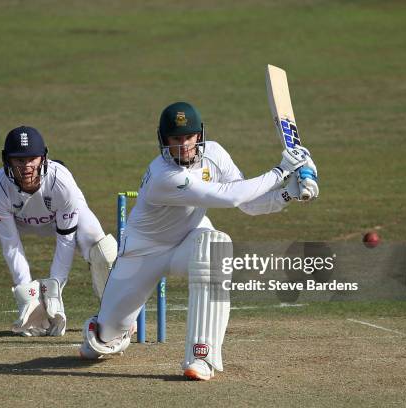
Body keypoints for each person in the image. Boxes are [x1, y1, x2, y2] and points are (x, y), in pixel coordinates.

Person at [79, 102, 319, 380]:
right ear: (163, 140)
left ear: (199, 135)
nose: (183, 146)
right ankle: (114, 328)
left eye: (189, 137)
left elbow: (250, 205)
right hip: (142, 253)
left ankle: (201, 356)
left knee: (215, 245)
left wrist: (288, 193)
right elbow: (231, 197)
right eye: (176, 139)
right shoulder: (163, 176)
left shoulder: (214, 154)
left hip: (187, 241)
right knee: (105, 339)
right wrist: (281, 172)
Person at [0, 126, 117, 337]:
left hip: (58, 217)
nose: (27, 167)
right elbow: (10, 244)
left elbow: (66, 241)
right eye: (19, 160)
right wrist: (28, 295)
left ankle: (115, 319)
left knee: (103, 249)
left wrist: (54, 291)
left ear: (43, 158)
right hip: (15, 218)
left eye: (32, 159)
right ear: (7, 160)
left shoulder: (62, 184)